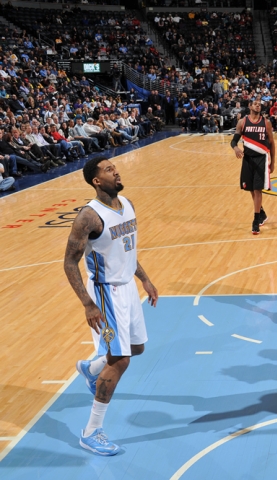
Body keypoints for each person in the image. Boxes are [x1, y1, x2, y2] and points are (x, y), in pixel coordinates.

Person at [64, 157, 159, 455]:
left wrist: (144, 279)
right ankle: (91, 431)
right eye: (108, 169)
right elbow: (69, 263)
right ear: (96, 181)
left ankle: (91, 369)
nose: (115, 170)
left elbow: (127, 250)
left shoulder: (127, 204)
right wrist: (88, 304)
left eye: (114, 167)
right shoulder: (89, 217)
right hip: (105, 293)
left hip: (127, 288)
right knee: (120, 359)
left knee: (136, 348)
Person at [230, 98, 276, 234]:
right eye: (255, 104)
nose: (258, 106)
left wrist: (273, 162)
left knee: (257, 190)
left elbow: (272, 143)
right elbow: (233, 141)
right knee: (250, 188)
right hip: (248, 160)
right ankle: (261, 212)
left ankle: (256, 221)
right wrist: (236, 148)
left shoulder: (266, 122)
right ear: (250, 106)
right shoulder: (242, 122)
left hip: (261, 159)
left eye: (259, 104)